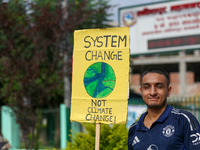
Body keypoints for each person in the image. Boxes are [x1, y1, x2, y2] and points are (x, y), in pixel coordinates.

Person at [128, 67, 200, 150]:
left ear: (168, 91)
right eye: (147, 87)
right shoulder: (134, 129)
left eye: (159, 86)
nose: (152, 92)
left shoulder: (183, 120)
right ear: (141, 91)